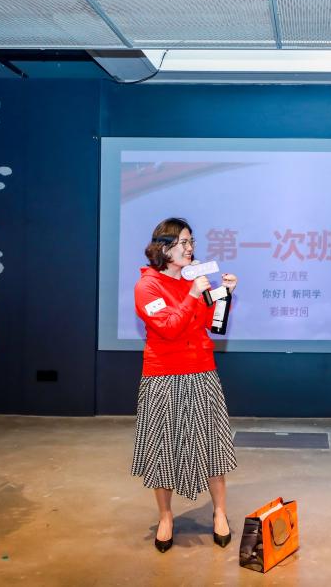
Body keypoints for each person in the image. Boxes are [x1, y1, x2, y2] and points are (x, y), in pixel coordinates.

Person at [131, 217, 238, 553]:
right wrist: (193, 294)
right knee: (163, 449)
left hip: (201, 369)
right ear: (164, 248)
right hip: (162, 375)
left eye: (192, 242)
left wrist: (223, 296)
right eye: (183, 242)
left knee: (212, 445)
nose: (190, 249)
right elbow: (169, 328)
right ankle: (166, 517)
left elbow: (212, 324)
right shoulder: (147, 287)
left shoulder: (195, 282)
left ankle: (219, 512)